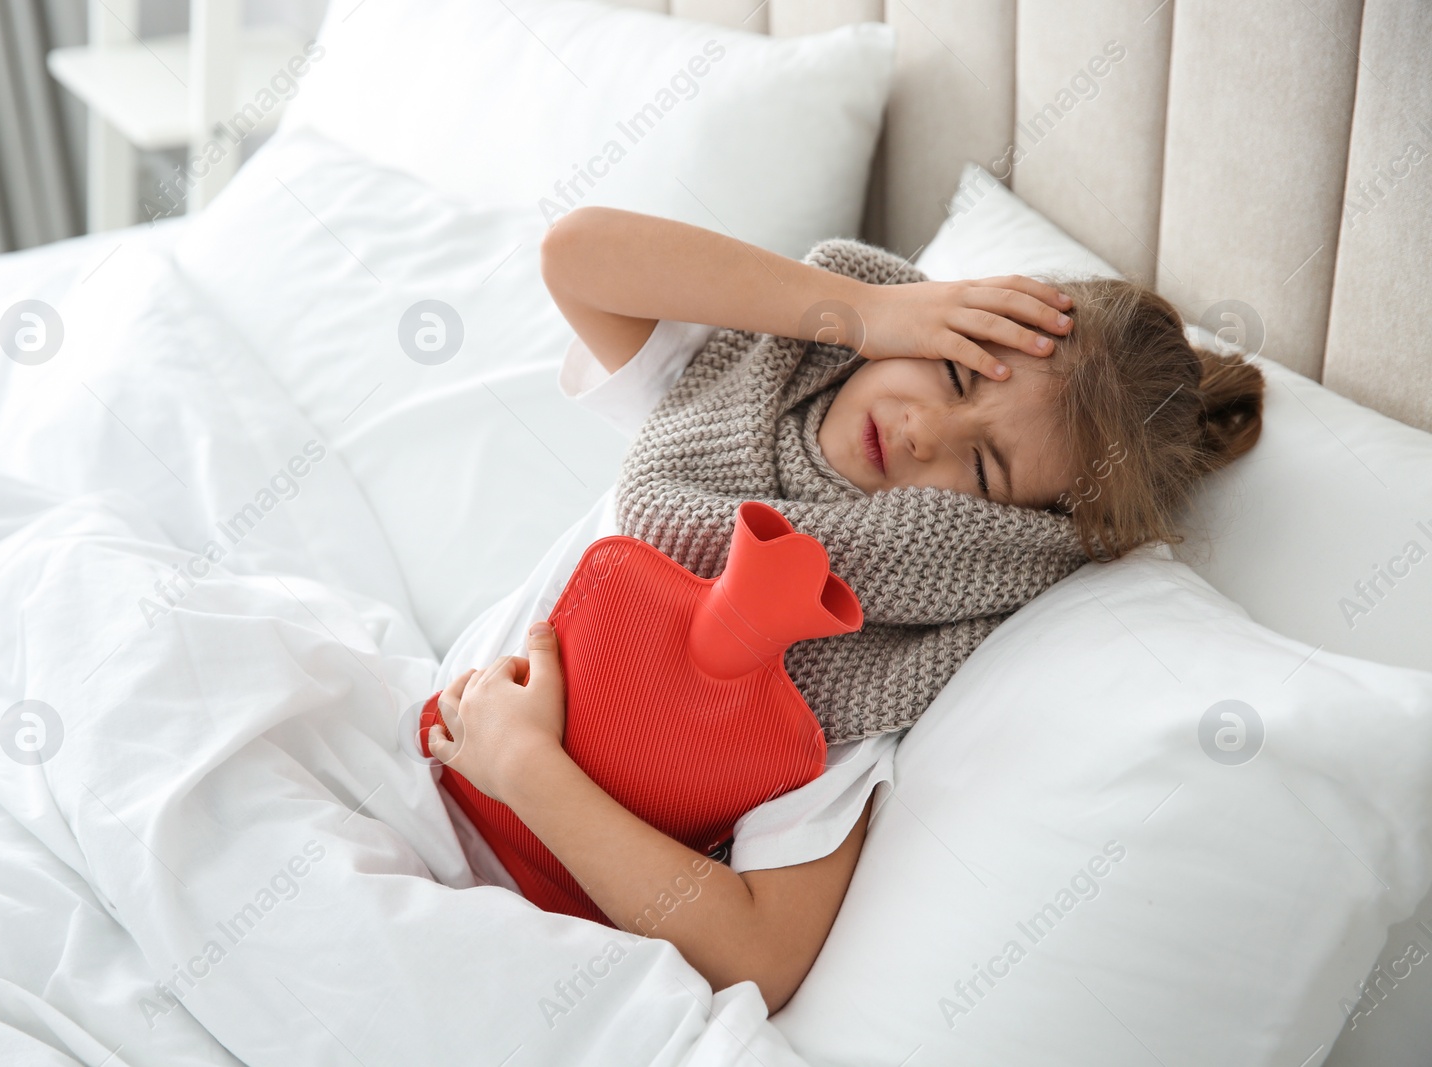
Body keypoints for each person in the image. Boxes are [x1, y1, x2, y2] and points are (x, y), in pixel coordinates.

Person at [424, 206, 1264, 1012]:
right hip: (410, 760)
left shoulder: (875, 660)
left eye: (982, 469)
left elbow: (758, 956)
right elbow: (578, 253)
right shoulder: (745, 376)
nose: (924, 431)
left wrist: (526, 768)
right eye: (955, 373)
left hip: (504, 901)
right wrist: (866, 311)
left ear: (1002, 531)